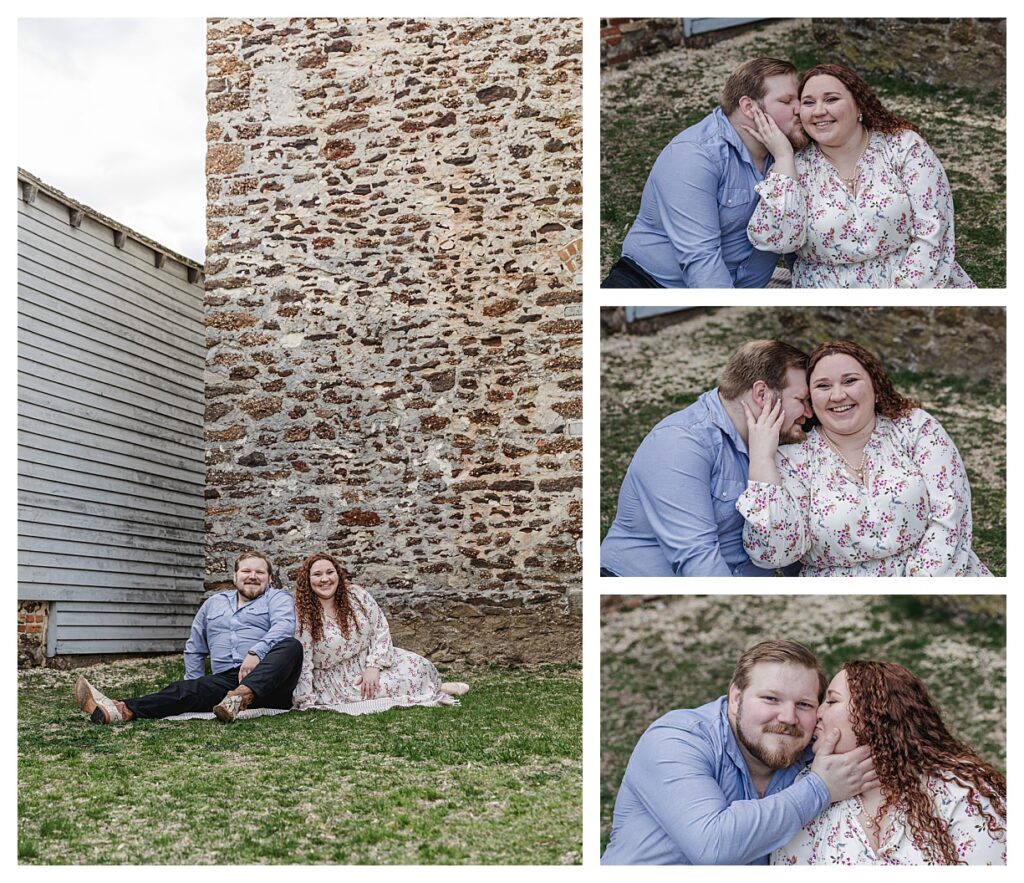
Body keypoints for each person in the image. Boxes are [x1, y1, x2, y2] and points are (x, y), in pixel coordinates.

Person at [602, 640, 878, 865]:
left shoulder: (813, 754)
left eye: (804, 704)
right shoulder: (676, 739)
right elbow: (714, 846)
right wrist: (820, 789)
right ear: (736, 698)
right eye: (771, 699)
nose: (789, 717)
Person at [738, 340, 992, 576]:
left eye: (850, 381)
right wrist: (762, 459)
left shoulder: (915, 428)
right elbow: (774, 553)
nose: (837, 395)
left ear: (875, 386)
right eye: (823, 386)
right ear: (811, 400)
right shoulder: (793, 458)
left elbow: (950, 516)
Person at [745, 63, 975, 288]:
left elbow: (933, 231)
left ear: (859, 106)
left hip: (915, 284)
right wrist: (784, 158)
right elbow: (779, 240)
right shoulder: (793, 167)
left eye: (831, 99)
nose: (818, 111)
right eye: (808, 103)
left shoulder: (903, 146)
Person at [600, 339, 811, 576]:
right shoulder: (680, 443)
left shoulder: (776, 442)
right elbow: (697, 560)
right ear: (762, 394)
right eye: (802, 401)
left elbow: (792, 537)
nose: (809, 413)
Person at [602, 57, 808, 288]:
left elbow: (793, 233)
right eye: (787, 100)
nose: (800, 109)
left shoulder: (785, 150)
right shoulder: (695, 155)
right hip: (655, 285)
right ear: (750, 107)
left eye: (799, 99)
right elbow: (701, 262)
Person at [773, 661, 1006, 865]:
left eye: (831, 701)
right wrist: (819, 787)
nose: (818, 713)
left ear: (874, 715)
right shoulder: (806, 789)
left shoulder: (961, 791)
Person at [74, 551, 303, 723]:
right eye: (246, 571)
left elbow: (284, 626)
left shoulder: (278, 599)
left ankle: (242, 697)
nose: (252, 576)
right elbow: (195, 647)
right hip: (227, 682)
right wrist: (194, 682)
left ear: (269, 578)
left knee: (291, 646)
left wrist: (255, 653)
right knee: (183, 691)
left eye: (259, 572)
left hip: (270, 681)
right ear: (235, 576)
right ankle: (118, 710)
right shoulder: (213, 604)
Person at [290, 551, 467, 713]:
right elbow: (304, 660)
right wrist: (306, 700)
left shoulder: (357, 596)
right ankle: (434, 689)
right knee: (382, 688)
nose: (325, 579)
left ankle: (435, 686)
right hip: (340, 679)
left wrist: (373, 667)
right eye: (317, 574)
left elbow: (380, 628)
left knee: (420, 666)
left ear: (338, 573)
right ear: (308, 580)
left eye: (330, 572)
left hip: (371, 660)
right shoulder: (304, 614)